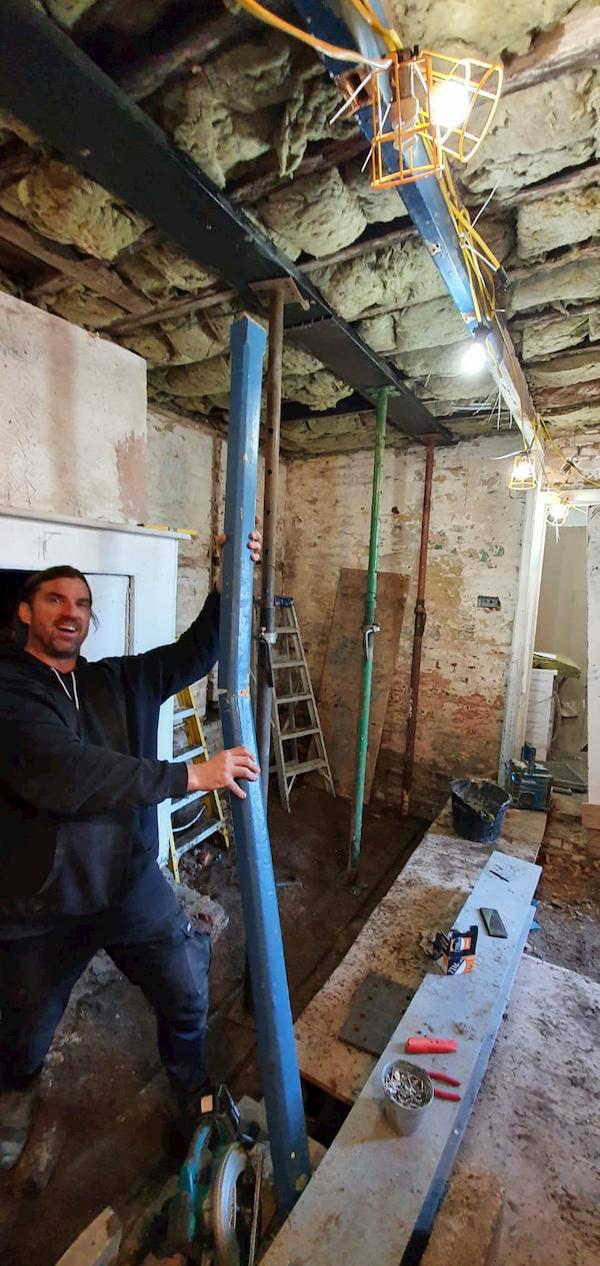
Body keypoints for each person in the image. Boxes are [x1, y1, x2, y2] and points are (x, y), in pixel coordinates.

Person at [0, 532, 261, 1168]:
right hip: (42, 906)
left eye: (82, 603)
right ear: (26, 612)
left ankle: (189, 1095)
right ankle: (15, 1106)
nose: (71, 612)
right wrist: (189, 774)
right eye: (55, 599)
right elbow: (69, 771)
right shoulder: (10, 689)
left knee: (185, 994)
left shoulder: (119, 680)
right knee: (25, 1031)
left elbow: (197, 651)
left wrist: (227, 584)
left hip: (127, 885)